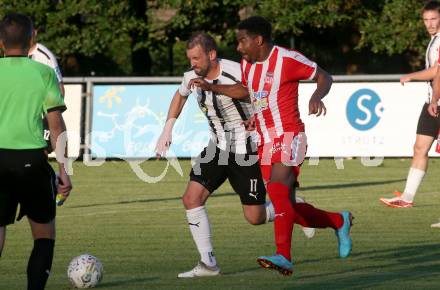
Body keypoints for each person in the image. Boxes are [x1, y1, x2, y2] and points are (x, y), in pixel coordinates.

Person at [189, 16, 352, 276]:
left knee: (277, 191)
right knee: (287, 205)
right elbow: (248, 91)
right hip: (264, 140)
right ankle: (339, 220)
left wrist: (316, 96)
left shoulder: (287, 59)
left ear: (259, 40)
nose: (239, 48)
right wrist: (215, 89)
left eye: (243, 41)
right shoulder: (247, 64)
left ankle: (283, 256)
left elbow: (324, 77)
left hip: (289, 136)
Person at [0, 13, 72, 290]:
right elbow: (57, 127)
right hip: (32, 163)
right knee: (44, 237)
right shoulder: (43, 73)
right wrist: (65, 171)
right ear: (32, 39)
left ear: (1, 42)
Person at [380, 1, 440, 208]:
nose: (430, 24)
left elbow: (437, 72)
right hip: (432, 103)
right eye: (426, 20)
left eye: (434, 19)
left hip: (436, 103)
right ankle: (406, 198)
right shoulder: (434, 40)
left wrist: (410, 76)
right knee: (419, 148)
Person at [28, 27, 65, 153]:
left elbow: (60, 88)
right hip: (22, 117)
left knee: (41, 152)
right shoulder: (12, 54)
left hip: (41, 117)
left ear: (35, 32)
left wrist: (49, 116)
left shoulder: (45, 56)